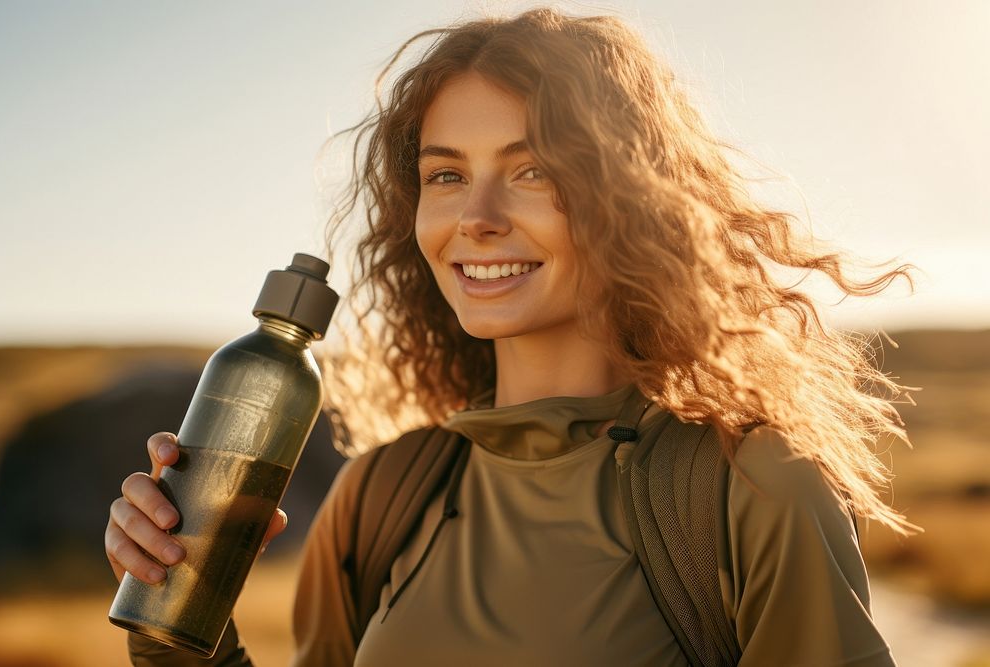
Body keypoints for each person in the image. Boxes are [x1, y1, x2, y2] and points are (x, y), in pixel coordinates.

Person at [105, 8, 913, 666]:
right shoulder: (379, 497)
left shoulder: (752, 490)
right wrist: (172, 628)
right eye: (446, 175)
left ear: (629, 195)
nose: (479, 219)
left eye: (535, 171)